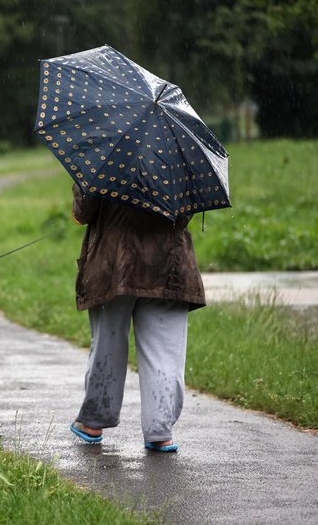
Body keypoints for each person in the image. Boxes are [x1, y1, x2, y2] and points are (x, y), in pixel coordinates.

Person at [69, 183, 206, 452]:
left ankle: (94, 422)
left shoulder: (104, 154)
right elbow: (184, 214)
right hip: (170, 267)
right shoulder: (177, 158)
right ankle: (160, 431)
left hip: (113, 265)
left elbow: (83, 212)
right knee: (164, 353)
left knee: (107, 346)